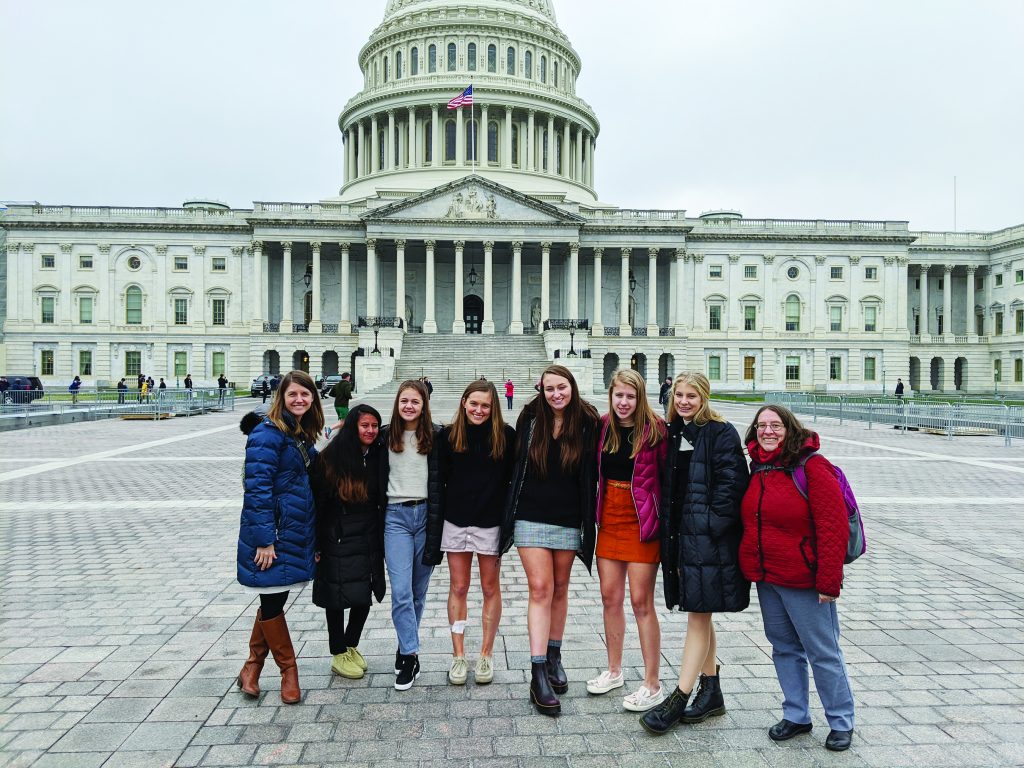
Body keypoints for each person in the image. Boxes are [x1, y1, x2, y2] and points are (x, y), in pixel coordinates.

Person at [740, 404, 855, 752]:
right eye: (762, 425)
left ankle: (840, 720)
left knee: (823, 651)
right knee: (784, 648)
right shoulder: (758, 466)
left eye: (775, 425)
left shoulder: (812, 466)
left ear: (789, 429)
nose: (768, 431)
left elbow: (832, 527)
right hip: (768, 577)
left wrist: (828, 582)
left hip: (805, 579)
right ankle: (796, 714)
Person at [640, 372, 749, 734]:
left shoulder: (721, 432)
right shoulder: (673, 432)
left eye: (691, 396)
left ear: (704, 398)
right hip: (680, 538)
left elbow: (733, 486)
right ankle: (712, 690)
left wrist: (710, 525)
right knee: (700, 609)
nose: (684, 401)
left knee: (698, 615)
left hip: (707, 539)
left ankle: (679, 697)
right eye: (679, 395)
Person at [502, 364, 599, 716]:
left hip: (570, 518)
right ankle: (538, 669)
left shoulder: (588, 421)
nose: (556, 394)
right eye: (549, 389)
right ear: (540, 391)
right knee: (540, 588)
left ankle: (555, 655)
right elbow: (505, 453)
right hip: (530, 514)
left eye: (562, 387)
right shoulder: (530, 419)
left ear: (572, 387)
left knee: (560, 588)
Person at [236, 370, 324, 705]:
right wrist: (264, 539)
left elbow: (313, 472)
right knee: (272, 599)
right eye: (293, 395)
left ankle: (252, 668)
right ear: (281, 398)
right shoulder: (267, 434)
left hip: (293, 530)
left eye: (306, 395)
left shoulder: (298, 433)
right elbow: (256, 489)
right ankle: (289, 671)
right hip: (273, 534)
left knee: (274, 598)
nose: (300, 400)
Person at [589, 369, 668, 712]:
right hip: (609, 518)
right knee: (610, 598)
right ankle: (614, 670)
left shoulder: (655, 430)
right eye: (618, 395)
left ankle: (653, 682)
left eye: (630, 397)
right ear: (611, 395)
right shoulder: (604, 426)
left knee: (640, 601)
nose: (624, 403)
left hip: (642, 521)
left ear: (641, 397)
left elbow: (667, 478)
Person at [429, 380, 515, 686]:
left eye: (486, 405)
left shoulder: (506, 436)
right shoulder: (449, 436)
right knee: (459, 587)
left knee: (490, 588)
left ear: (493, 409)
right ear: (464, 402)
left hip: (490, 523)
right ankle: (458, 656)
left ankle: (486, 654)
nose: (479, 410)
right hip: (456, 521)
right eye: (474, 403)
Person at [310, 404, 386, 680]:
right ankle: (337, 651)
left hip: (367, 533)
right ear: (353, 426)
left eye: (374, 426)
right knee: (337, 596)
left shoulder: (377, 453)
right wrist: (318, 543)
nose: (370, 430)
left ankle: (351, 643)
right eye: (364, 425)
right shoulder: (331, 457)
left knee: (362, 594)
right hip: (337, 534)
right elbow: (318, 503)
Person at [381, 380, 442, 691]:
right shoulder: (383, 436)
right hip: (395, 518)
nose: (409, 406)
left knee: (418, 592)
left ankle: (406, 644)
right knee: (402, 591)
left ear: (423, 405)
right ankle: (410, 654)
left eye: (415, 401)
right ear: (397, 403)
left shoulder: (437, 435)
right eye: (404, 400)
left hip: (426, 516)